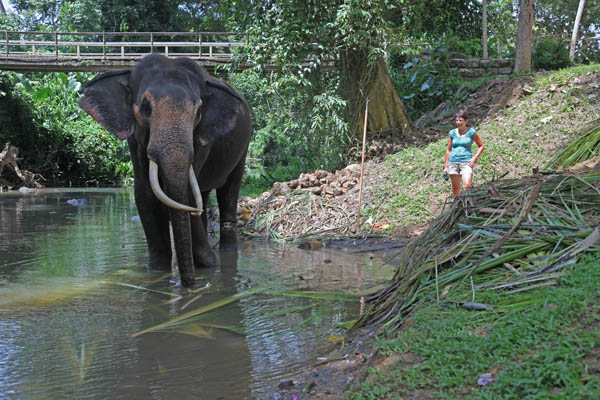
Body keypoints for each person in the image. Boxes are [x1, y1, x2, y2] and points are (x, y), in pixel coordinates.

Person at [444, 110, 485, 196]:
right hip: (453, 162)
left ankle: (468, 205)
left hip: (466, 161)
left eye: (460, 120)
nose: (458, 122)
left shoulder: (471, 132)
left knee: (467, 186)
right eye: (457, 120)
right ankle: (458, 206)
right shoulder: (452, 133)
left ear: (466, 121)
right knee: (456, 189)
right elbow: (449, 149)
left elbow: (481, 146)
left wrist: (474, 158)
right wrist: (446, 166)